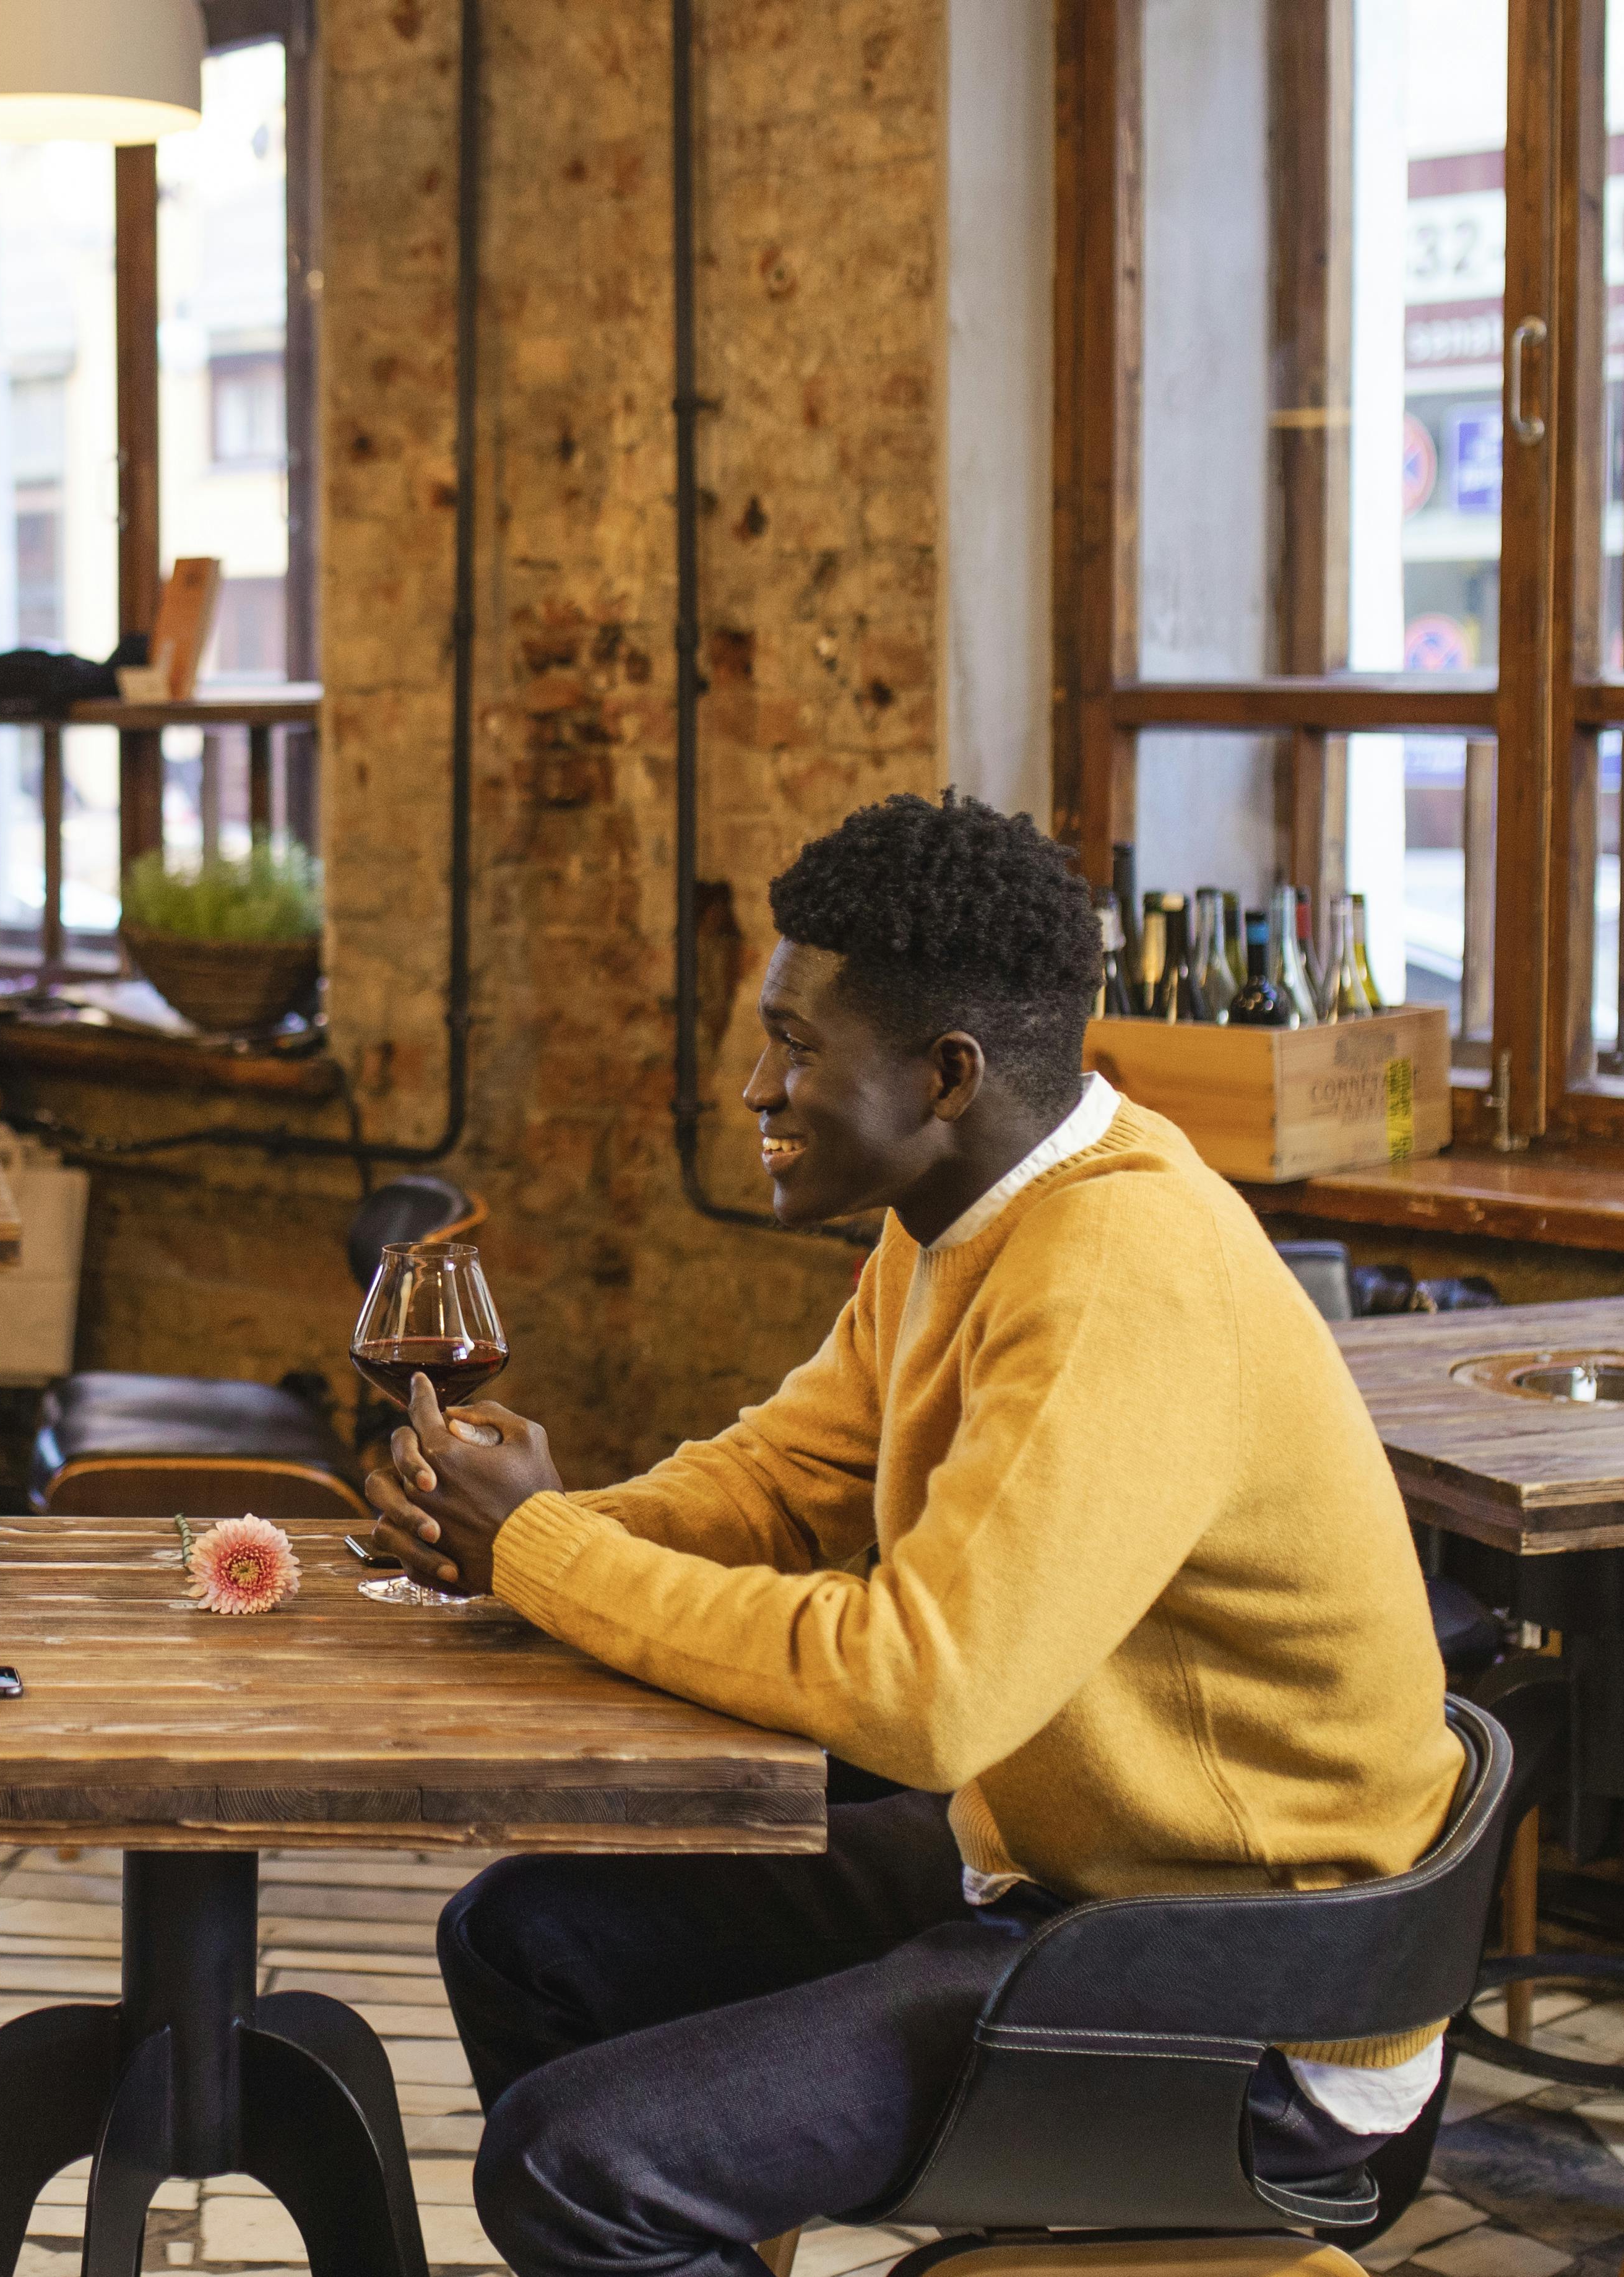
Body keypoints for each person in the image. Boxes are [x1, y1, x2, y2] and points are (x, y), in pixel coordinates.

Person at [365, 791, 1462, 2277]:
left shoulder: (1115, 1268)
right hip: (1065, 1885)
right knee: (524, 1937)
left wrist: (546, 1554)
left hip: (1245, 1994)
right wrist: (532, 1530)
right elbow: (781, 1477)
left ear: (945, 1074)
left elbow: (925, 1691)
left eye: (796, 1047)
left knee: (576, 2162)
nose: (754, 1085)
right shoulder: (958, 1215)